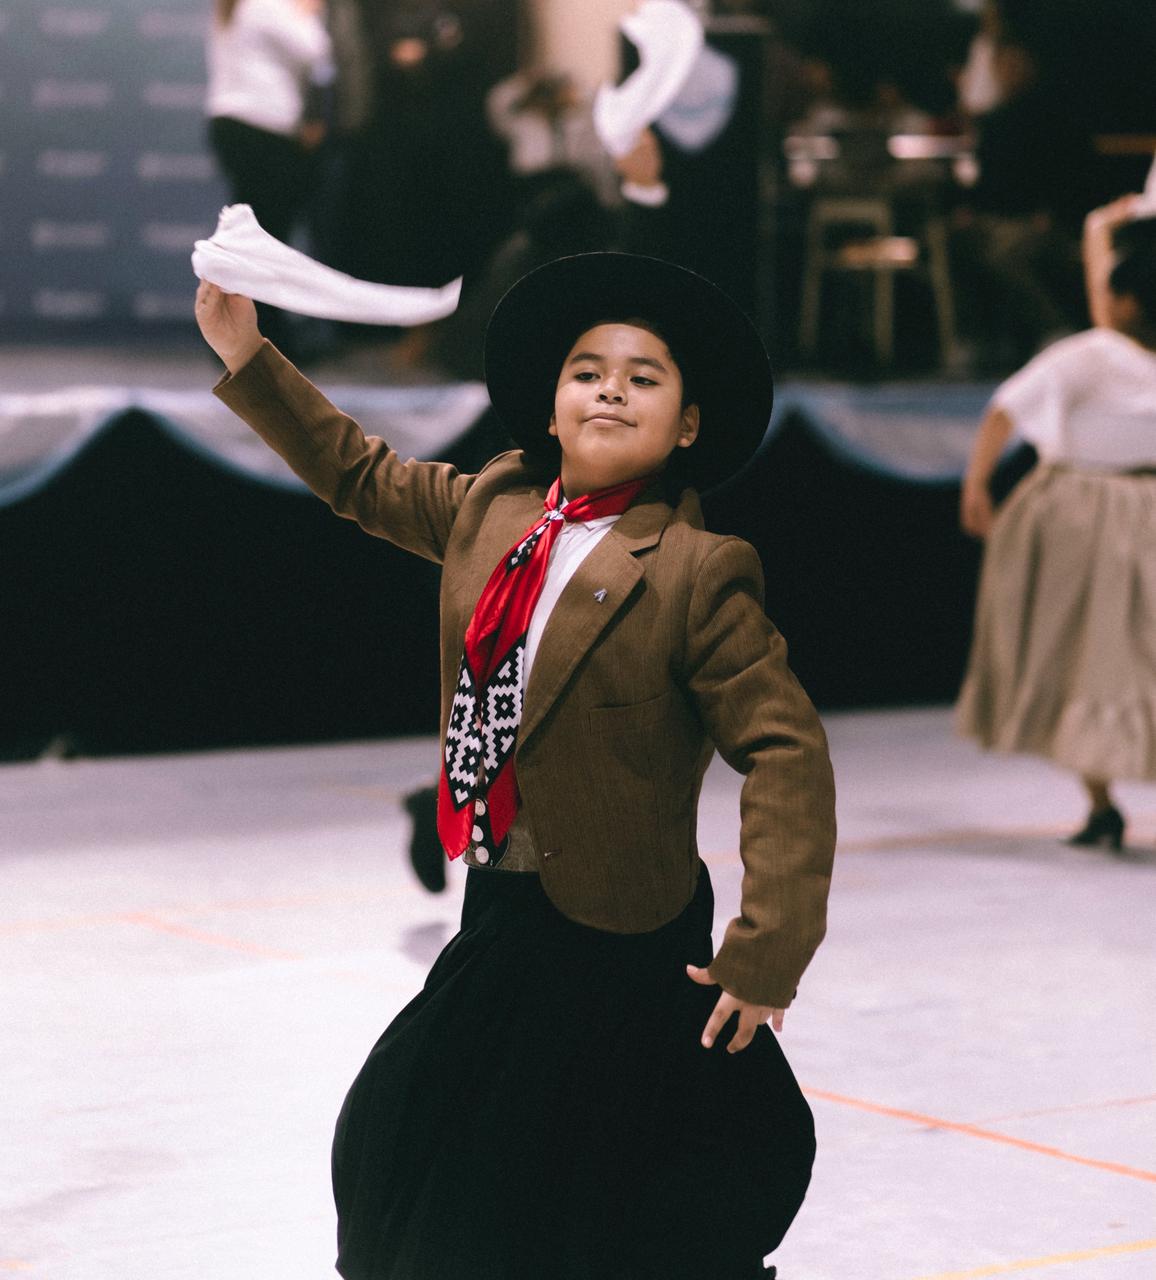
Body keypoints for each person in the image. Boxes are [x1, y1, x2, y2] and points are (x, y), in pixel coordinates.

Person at [194, 251, 836, 1279]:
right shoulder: (492, 505)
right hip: (503, 907)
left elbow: (785, 750)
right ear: (551, 407)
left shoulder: (697, 570)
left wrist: (769, 949)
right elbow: (357, 474)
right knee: (402, 1146)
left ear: (687, 426)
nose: (610, 388)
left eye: (642, 376)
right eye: (588, 371)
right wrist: (247, 353)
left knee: (632, 1196)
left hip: (630, 939)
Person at [957, 193, 1156, 850]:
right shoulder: (1097, 353)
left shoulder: (1093, 353)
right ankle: (1101, 803)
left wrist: (978, 482)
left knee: (1090, 659)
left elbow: (1003, 409)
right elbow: (1009, 407)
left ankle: (1100, 801)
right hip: (1105, 509)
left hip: (1095, 512)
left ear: (1126, 302)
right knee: (1098, 659)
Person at [205, 0, 333, 352]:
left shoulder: (236, 7)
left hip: (235, 125)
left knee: (257, 238)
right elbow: (316, 49)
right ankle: (265, 339)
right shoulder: (265, 4)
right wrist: (307, 11)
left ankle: (247, 335)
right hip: (263, 130)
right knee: (268, 239)